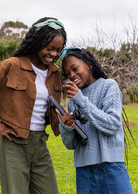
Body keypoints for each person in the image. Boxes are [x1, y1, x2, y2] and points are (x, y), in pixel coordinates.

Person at [0, 17, 67, 194]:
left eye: (58, 50)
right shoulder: (12, 65)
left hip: (40, 143)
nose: (53, 54)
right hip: (14, 144)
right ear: (36, 43)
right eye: (49, 48)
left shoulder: (55, 73)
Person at [57, 47, 134, 194]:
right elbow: (71, 144)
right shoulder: (73, 99)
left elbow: (113, 125)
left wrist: (81, 101)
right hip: (84, 172)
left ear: (89, 64)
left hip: (111, 167)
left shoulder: (108, 86)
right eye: (67, 74)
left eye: (75, 69)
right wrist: (67, 127)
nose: (72, 75)